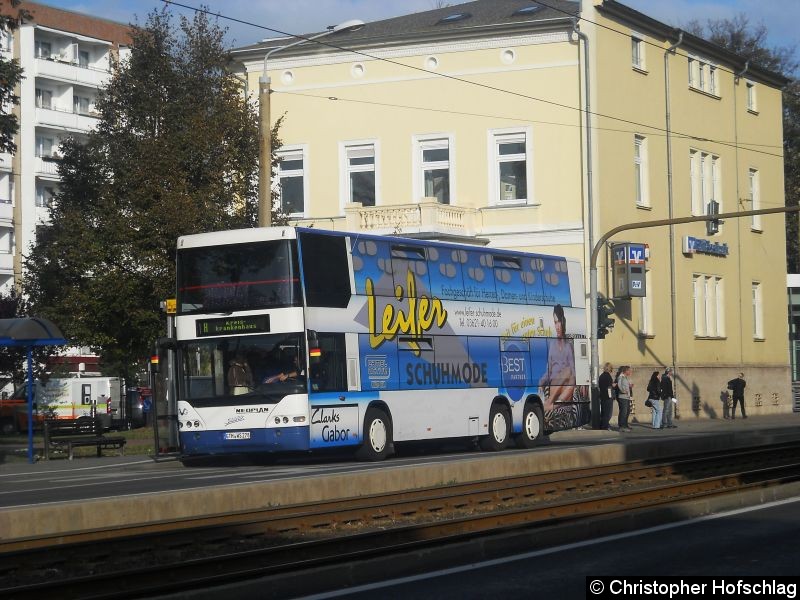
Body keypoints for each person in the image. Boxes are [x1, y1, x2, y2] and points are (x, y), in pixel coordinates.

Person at [540, 304, 576, 407]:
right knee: (568, 371)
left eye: (559, 322)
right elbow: (548, 370)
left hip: (565, 388)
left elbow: (573, 372)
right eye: (555, 322)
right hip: (554, 385)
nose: (557, 327)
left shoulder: (569, 347)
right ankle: (551, 401)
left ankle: (552, 405)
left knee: (570, 380)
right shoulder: (552, 345)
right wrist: (541, 381)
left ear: (563, 322)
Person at [598, 362, 615, 430]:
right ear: (610, 368)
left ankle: (603, 425)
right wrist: (611, 396)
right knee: (608, 413)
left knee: (603, 412)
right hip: (608, 397)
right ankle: (605, 426)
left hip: (602, 396)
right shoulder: (608, 376)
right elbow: (609, 388)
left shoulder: (601, 376)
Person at [616, 366, 632, 432]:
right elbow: (619, 385)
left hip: (626, 397)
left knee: (627, 411)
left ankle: (625, 425)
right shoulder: (621, 377)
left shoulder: (625, 377)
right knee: (623, 412)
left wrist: (629, 386)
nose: (630, 372)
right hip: (623, 397)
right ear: (626, 371)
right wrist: (623, 391)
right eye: (629, 371)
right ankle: (622, 426)